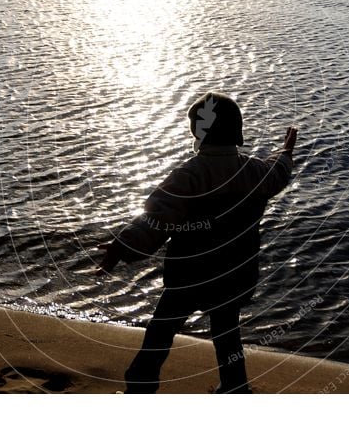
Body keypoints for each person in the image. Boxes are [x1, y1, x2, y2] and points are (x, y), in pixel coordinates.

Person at [96, 91, 297, 393]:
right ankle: (235, 386)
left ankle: (140, 383)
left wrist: (124, 245)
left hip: (189, 276)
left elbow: (156, 219)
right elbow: (277, 172)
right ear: (238, 132)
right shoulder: (254, 171)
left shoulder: (189, 175)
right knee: (227, 333)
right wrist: (285, 152)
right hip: (233, 276)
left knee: (161, 332)